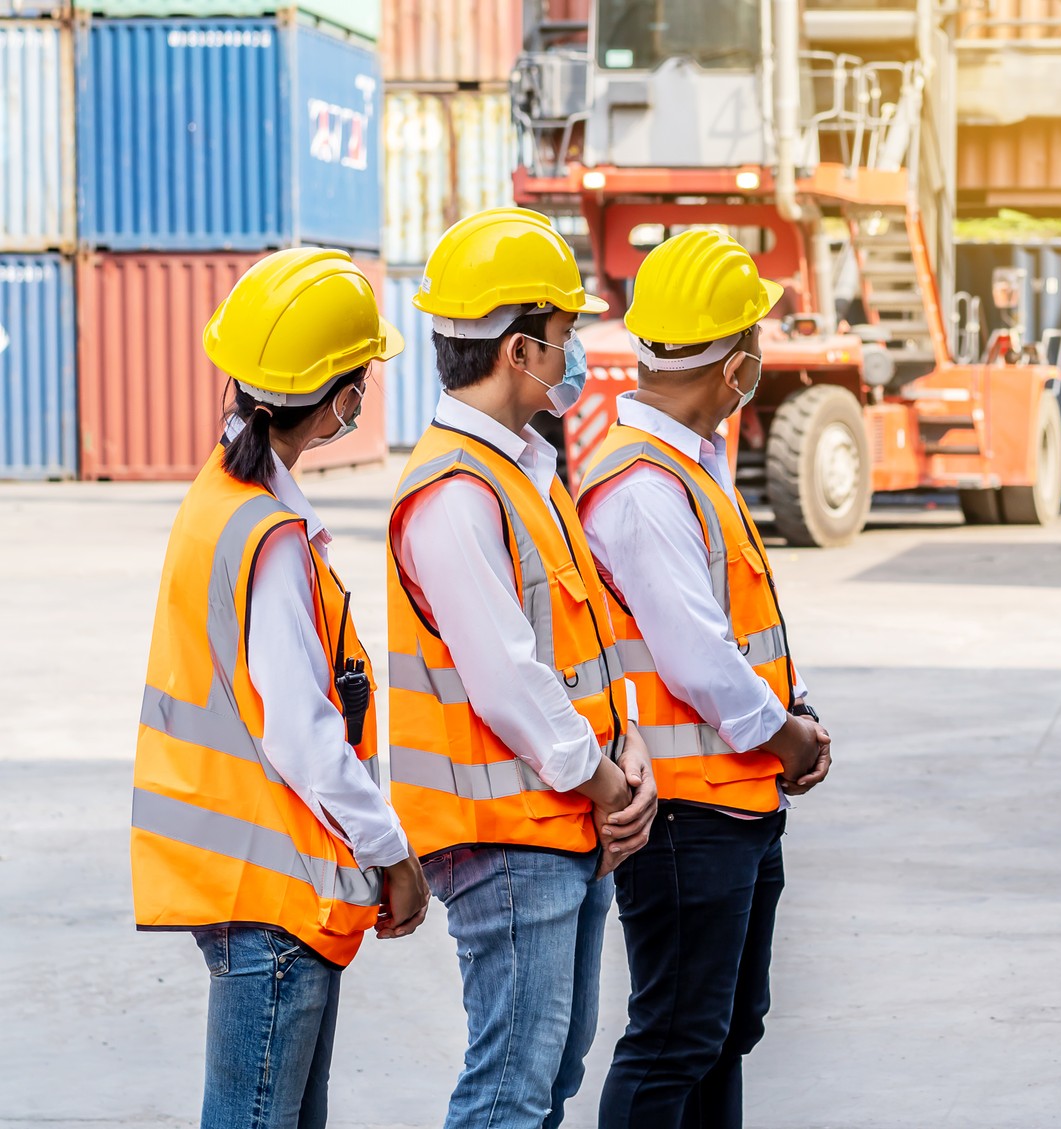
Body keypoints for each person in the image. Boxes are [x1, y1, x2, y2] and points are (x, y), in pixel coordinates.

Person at [131, 247, 430, 1129]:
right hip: (274, 890)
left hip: (246, 879)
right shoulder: (268, 534)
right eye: (363, 378)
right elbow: (304, 732)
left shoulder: (221, 498)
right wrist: (392, 851)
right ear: (343, 400)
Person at [386, 207, 656, 1129]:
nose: (576, 353)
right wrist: (607, 777)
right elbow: (508, 681)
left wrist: (620, 768)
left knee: (546, 1080)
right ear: (519, 351)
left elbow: (578, 651)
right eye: (566, 334)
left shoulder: (525, 472)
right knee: (508, 1090)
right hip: (510, 835)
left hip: (561, 820)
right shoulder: (457, 493)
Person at [575, 230, 832, 1129]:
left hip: (735, 800)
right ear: (733, 368)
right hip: (686, 814)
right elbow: (696, 660)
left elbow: (732, 635)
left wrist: (787, 716)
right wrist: (786, 733)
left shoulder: (689, 464)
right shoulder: (643, 487)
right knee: (676, 1037)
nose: (762, 358)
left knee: (723, 1031)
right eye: (755, 342)